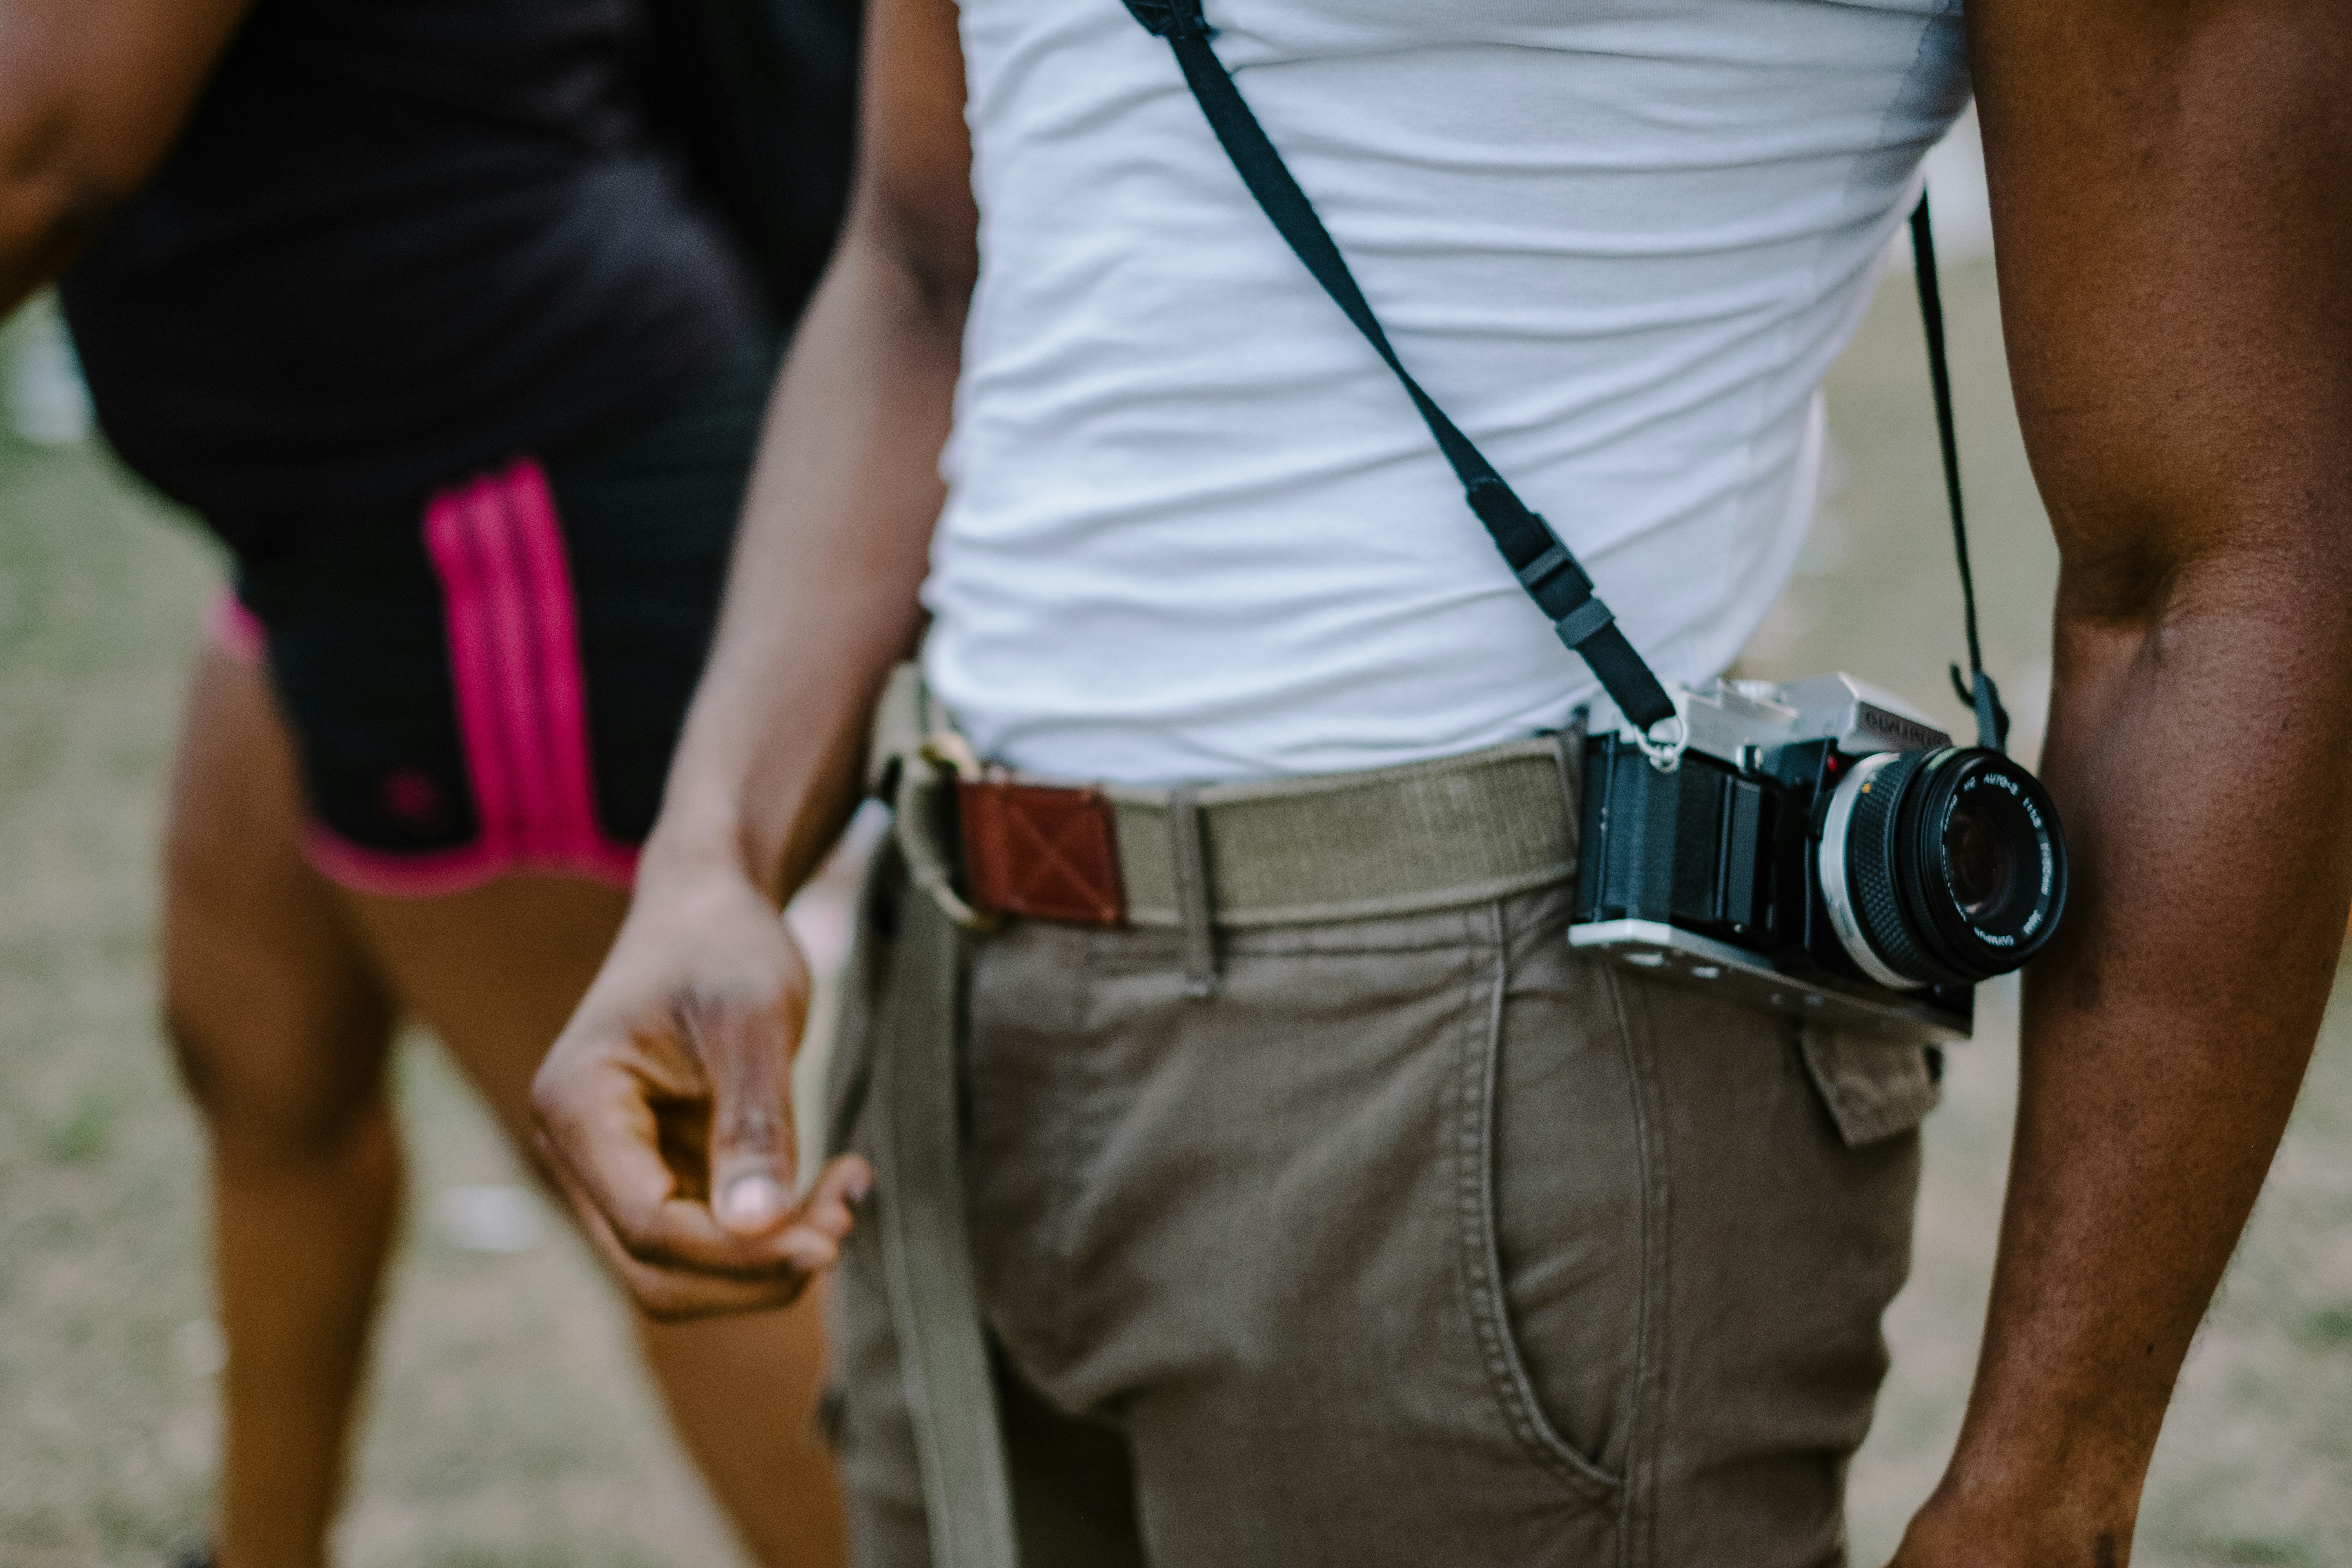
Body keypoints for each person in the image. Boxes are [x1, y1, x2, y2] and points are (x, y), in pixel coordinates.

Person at [530, 0, 2352, 1561]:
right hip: (949, 1007)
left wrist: (2050, 1477)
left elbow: (2235, 551)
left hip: (1490, 1041)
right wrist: (710, 850)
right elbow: (927, 258)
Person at [0, 1, 859, 1564]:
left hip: (504, 504)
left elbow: (34, 158)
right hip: (334, 510)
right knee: (260, 1055)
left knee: (666, 1202)